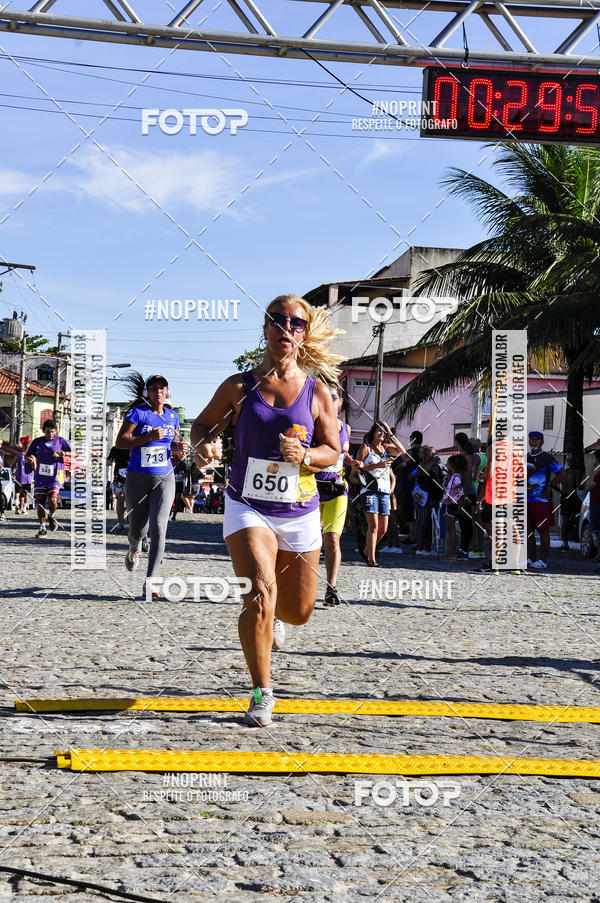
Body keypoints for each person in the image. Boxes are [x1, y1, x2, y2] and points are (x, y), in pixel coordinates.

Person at [190, 293, 340, 727]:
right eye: (278, 320)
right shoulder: (239, 387)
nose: (286, 328)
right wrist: (204, 445)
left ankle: (276, 619)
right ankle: (262, 692)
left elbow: (333, 450)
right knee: (258, 592)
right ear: (265, 328)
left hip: (299, 510)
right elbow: (202, 425)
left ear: (303, 334)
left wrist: (305, 456)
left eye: (296, 323)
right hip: (247, 505)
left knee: (298, 611)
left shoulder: (318, 393)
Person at [116, 374, 179, 598]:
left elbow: (171, 445)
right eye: (153, 388)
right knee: (138, 529)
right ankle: (134, 547)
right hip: (138, 477)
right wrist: (148, 437)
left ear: (167, 392)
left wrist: (177, 449)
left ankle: (151, 581)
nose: (158, 391)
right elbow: (121, 441)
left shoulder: (173, 416)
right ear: (147, 392)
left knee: (159, 526)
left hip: (165, 477)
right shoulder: (138, 413)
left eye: (162, 388)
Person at [315, 384, 359, 606]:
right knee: (310, 541)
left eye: (332, 397)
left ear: (340, 402)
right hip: (311, 488)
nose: (327, 400)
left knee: (332, 538)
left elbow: (342, 453)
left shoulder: (346, 429)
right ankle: (302, 586)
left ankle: (331, 588)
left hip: (336, 489)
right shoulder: (312, 424)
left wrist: (352, 462)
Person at [357, 424, 396, 567]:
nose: (382, 433)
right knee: (373, 526)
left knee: (383, 529)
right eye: (379, 430)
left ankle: (366, 550)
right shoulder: (365, 448)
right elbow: (357, 469)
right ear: (373, 432)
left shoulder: (386, 449)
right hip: (369, 490)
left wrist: (390, 433)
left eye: (384, 432)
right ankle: (372, 559)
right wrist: (377, 466)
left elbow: (402, 451)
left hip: (384, 492)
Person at [25, 420, 71, 537]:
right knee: (40, 503)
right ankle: (42, 528)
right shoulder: (37, 442)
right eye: (48, 432)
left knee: (53, 499)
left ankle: (52, 515)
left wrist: (64, 453)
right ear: (43, 431)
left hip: (55, 476)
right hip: (41, 477)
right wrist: (29, 459)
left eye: (52, 432)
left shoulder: (60, 441)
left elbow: (72, 453)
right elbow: (27, 456)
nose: (50, 434)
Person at [527, 431, 563, 569]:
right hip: (526, 499)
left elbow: (562, 473)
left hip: (541, 501)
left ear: (542, 442)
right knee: (528, 531)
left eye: (537, 439)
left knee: (543, 530)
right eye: (531, 439)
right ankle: (531, 558)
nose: (534, 441)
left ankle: (542, 561)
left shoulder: (547, 457)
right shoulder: (525, 457)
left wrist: (550, 486)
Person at [412, 445, 444, 556]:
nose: (435, 455)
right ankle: (420, 547)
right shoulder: (422, 465)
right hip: (424, 498)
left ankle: (428, 547)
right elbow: (422, 472)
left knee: (431, 524)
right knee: (422, 522)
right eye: (432, 453)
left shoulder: (438, 465)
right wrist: (432, 461)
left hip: (435, 497)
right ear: (426, 454)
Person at [392, 429, 422, 545]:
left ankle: (412, 536)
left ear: (412, 440)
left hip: (408, 487)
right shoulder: (424, 452)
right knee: (419, 513)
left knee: (409, 512)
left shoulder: (410, 453)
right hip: (421, 487)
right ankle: (418, 537)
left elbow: (400, 463)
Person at [453, 433, 477, 560]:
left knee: (465, 522)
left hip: (467, 492)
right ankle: (463, 548)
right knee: (464, 522)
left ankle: (464, 549)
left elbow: (467, 477)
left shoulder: (466, 456)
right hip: (463, 491)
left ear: (457, 442)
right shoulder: (465, 455)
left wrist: (465, 495)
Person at [440, 453, 467, 561]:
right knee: (450, 530)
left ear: (451, 465)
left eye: (447, 463)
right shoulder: (453, 476)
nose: (446, 465)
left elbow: (460, 490)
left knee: (451, 530)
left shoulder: (456, 477)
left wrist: (452, 500)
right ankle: (451, 553)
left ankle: (452, 554)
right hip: (449, 504)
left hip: (450, 506)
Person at [107, 445, 130, 533]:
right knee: (127, 501)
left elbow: (108, 463)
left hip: (121, 477)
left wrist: (111, 460)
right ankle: (123, 522)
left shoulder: (115, 448)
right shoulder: (134, 445)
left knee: (120, 500)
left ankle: (121, 524)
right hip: (129, 477)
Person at [586, 449, 600, 565]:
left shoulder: (599, 474)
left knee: (598, 532)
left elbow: (591, 487)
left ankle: (599, 555)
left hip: (597, 505)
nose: (593, 460)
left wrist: (586, 486)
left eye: (594, 458)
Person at [12, 438, 33, 515]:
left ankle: (17, 506)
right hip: (28, 478)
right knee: (26, 494)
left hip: (19, 477)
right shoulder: (31, 456)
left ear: (22, 447)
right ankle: (24, 509)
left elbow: (12, 465)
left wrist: (13, 472)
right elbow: (34, 467)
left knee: (17, 493)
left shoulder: (19, 455)